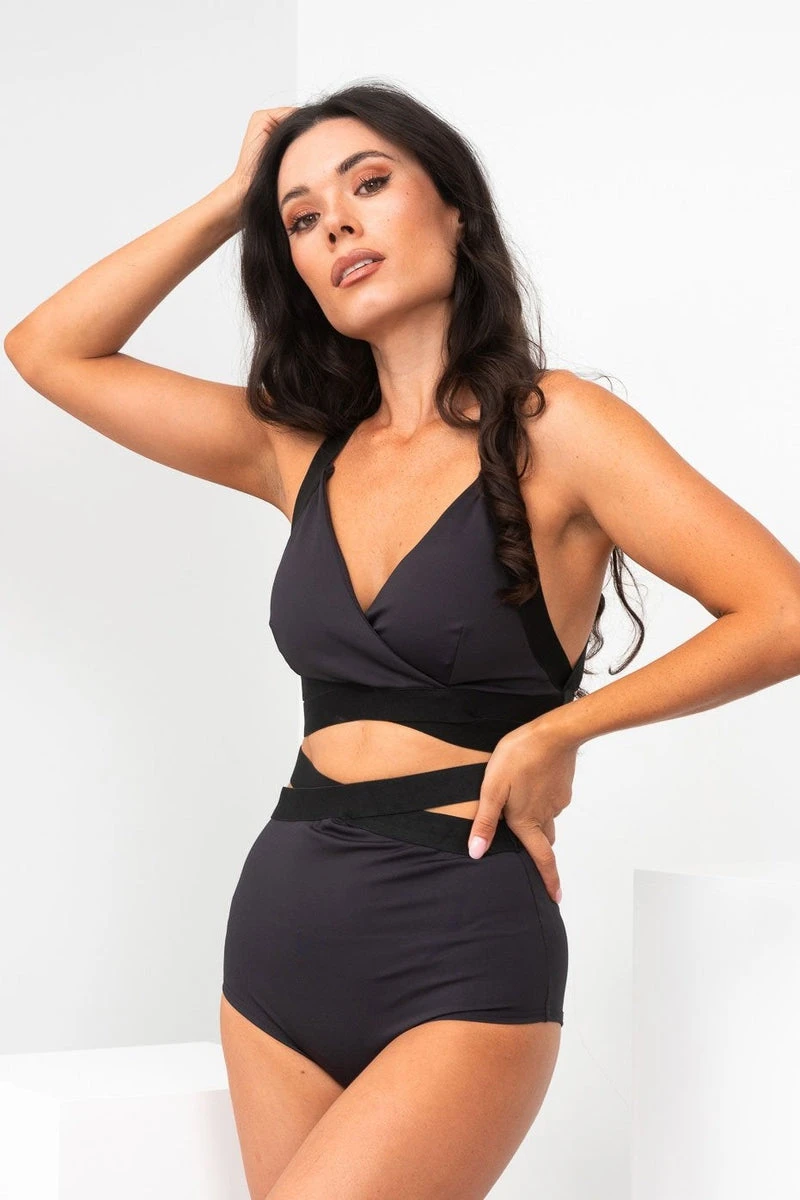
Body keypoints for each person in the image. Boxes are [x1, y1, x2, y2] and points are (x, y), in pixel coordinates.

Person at [6, 82, 800, 1200]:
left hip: (459, 938)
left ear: (455, 210)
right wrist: (231, 198)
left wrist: (559, 731)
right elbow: (48, 350)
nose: (335, 223)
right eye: (300, 218)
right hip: (281, 933)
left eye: (368, 184)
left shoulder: (558, 428)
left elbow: (780, 611)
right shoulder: (298, 450)